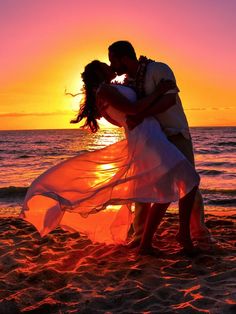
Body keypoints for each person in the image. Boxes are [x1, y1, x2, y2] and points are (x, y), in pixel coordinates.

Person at [21, 60, 200, 256]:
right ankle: (164, 239)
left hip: (144, 136)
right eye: (106, 64)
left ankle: (150, 242)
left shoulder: (105, 94)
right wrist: (158, 92)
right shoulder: (105, 91)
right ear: (100, 71)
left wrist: (135, 115)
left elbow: (119, 120)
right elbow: (132, 110)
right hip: (148, 138)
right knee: (188, 180)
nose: (110, 66)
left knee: (177, 185)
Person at [108, 40, 212, 248]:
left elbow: (169, 101)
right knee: (144, 188)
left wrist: (141, 114)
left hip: (175, 133)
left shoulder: (158, 69)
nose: (112, 66)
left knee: (189, 183)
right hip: (152, 139)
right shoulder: (128, 82)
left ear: (123, 57)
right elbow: (127, 110)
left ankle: (197, 231)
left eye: (113, 61)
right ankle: (140, 237)